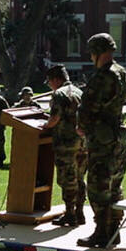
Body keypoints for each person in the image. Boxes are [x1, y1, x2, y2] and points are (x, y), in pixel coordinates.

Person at [76, 33, 126, 248]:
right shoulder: (121, 72)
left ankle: (102, 233)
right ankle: (114, 230)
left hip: (102, 138)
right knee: (115, 185)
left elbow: (89, 107)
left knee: (98, 186)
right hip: (118, 135)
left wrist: (82, 127)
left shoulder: (102, 77)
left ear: (97, 52)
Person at [43, 65, 87, 226]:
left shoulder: (59, 94)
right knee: (80, 178)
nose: (49, 85)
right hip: (83, 143)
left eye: (49, 82)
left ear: (56, 79)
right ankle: (80, 213)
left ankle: (70, 214)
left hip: (66, 144)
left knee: (67, 180)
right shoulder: (79, 92)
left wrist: (46, 126)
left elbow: (54, 118)